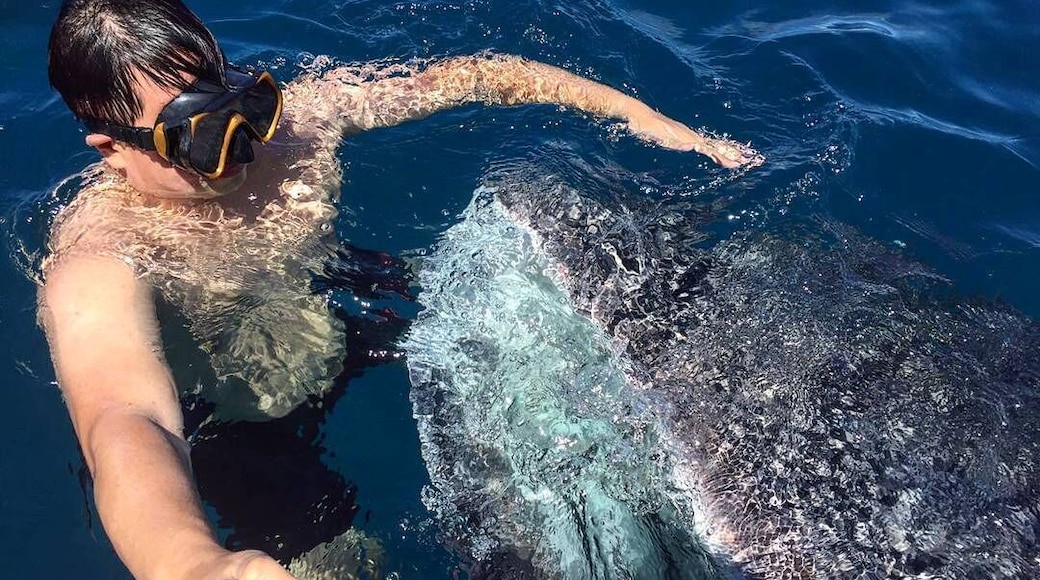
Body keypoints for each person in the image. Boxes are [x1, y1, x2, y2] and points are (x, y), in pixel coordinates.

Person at [40, 0, 760, 578]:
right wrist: (192, 563)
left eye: (241, 108)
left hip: (344, 297)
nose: (243, 148)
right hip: (250, 416)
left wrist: (648, 119)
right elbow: (127, 417)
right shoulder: (101, 256)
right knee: (339, 568)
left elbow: (482, 74)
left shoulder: (302, 125)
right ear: (112, 148)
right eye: (200, 138)